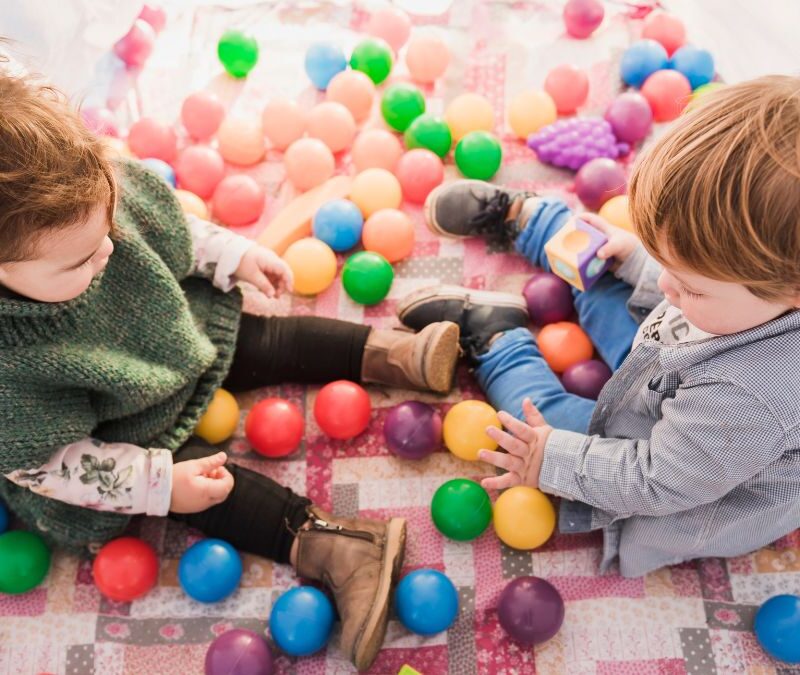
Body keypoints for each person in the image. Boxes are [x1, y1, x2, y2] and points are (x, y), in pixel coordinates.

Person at [0, 70, 461, 671]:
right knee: (202, 485)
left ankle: (395, 353)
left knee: (264, 337)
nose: (109, 250)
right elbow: (53, 464)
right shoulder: (11, 371)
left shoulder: (88, 195)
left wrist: (232, 254)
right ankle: (338, 545)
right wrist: (159, 482)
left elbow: (169, 224)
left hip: (171, 329)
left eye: (107, 229)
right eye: (80, 261)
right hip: (111, 431)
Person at [398, 75, 800, 578]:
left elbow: (652, 480)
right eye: (665, 262)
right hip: (672, 363)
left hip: (656, 464)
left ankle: (498, 339)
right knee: (609, 271)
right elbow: (680, 291)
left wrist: (552, 458)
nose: (670, 287)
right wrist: (637, 260)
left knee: (535, 424)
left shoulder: (751, 401)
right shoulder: (745, 295)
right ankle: (536, 223)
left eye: (693, 285)